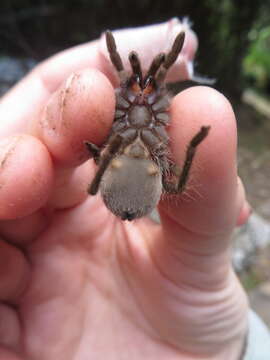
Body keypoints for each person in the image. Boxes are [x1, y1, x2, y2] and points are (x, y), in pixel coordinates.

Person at [0, 20, 269, 360]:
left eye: (150, 86)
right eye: (134, 86)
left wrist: (188, 146)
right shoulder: (133, 110)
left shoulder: (143, 113)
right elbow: (166, 178)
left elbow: (175, 184)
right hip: (130, 168)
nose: (142, 91)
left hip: (125, 168)